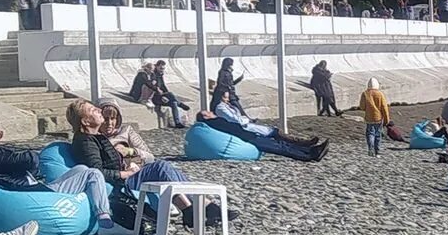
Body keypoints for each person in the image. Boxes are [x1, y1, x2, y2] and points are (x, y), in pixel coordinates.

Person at [0, 113, 142, 235]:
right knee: (93, 174)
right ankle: (105, 222)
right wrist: (0, 145)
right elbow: (31, 159)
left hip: (17, 190)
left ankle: (93, 207)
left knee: (80, 169)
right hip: (29, 193)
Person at [67, 101, 193, 224]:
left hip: (125, 174)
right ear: (85, 121)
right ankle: (190, 208)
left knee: (164, 169)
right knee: (160, 167)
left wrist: (130, 155)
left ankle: (198, 205)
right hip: (119, 182)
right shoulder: (86, 142)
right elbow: (97, 172)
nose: (99, 111)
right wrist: (126, 173)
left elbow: (147, 155)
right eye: (94, 110)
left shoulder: (96, 138)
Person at [198, 102, 329, 162]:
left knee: (281, 145)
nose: (210, 112)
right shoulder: (214, 123)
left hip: (248, 135)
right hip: (246, 138)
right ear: (205, 117)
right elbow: (232, 127)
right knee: (279, 147)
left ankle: (311, 150)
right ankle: (309, 155)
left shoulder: (215, 121)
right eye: (207, 113)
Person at [359, 79, 391, 156]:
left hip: (369, 118)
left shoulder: (365, 94)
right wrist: (387, 120)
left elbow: (362, 107)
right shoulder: (380, 94)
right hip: (378, 118)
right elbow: (384, 108)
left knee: (370, 133)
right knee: (378, 134)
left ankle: (370, 149)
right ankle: (377, 151)